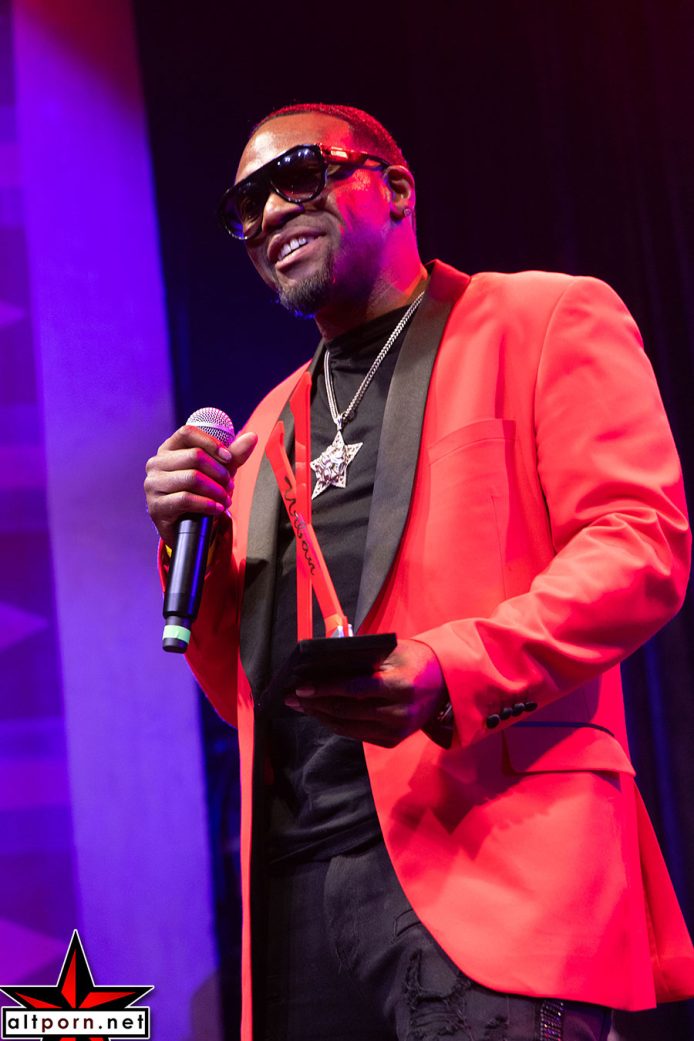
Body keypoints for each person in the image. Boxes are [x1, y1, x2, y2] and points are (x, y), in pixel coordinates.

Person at [144, 103, 694, 1041]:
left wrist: (451, 668)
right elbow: (246, 691)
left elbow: (640, 544)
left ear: (395, 189)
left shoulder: (543, 318)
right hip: (300, 899)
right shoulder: (267, 426)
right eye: (247, 205)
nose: (271, 214)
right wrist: (181, 538)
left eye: (300, 175)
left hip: (496, 868)